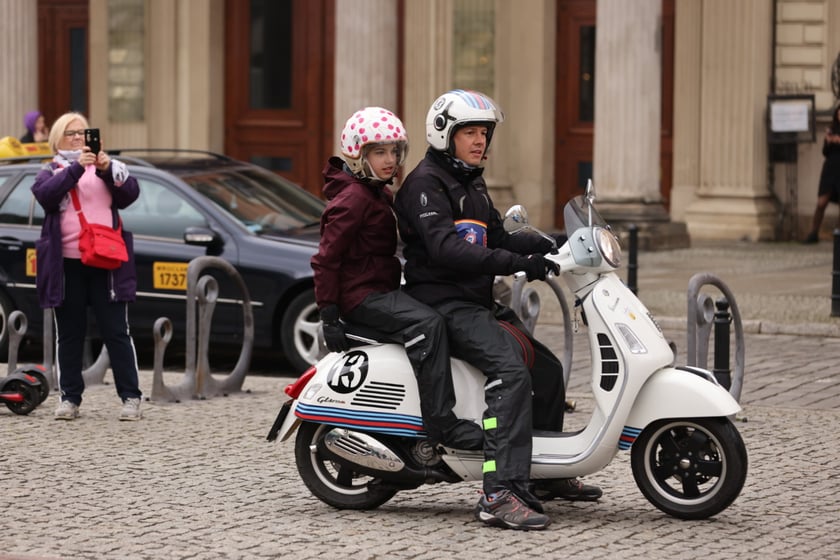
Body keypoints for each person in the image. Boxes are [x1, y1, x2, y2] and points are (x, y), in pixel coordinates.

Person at [394, 89, 601, 530]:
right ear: (444, 133)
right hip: (444, 302)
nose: (479, 141)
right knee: (509, 373)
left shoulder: (471, 181)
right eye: (469, 132)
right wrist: (518, 265)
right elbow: (448, 251)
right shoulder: (425, 185)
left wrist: (553, 245)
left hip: (475, 301)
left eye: (484, 133)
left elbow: (497, 238)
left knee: (545, 372)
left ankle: (544, 476)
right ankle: (498, 493)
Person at [310, 107, 483, 450]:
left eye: (394, 151)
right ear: (358, 155)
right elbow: (326, 259)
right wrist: (328, 313)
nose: (390, 160)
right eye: (379, 152)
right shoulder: (353, 200)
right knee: (428, 325)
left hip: (379, 287)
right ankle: (441, 423)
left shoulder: (375, 191)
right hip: (361, 296)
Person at [32, 112, 143, 421]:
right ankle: (69, 398)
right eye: (71, 134)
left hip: (106, 261)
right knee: (69, 332)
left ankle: (131, 397)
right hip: (66, 263)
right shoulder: (51, 171)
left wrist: (106, 169)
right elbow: (46, 197)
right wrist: (77, 168)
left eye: (83, 133)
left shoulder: (110, 169)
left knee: (116, 331)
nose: (78, 138)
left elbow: (130, 195)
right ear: (57, 140)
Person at [803, 104, 840, 243]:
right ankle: (813, 233)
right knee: (821, 202)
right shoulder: (831, 129)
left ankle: (838, 237)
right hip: (830, 169)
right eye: (839, 113)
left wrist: (838, 140)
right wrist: (829, 141)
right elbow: (824, 152)